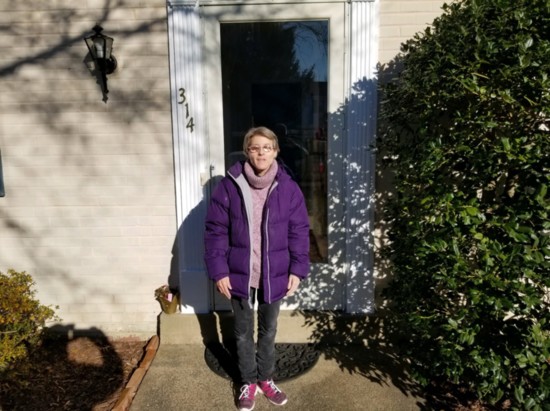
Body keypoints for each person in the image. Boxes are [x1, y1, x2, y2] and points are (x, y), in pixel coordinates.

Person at [204, 126, 310, 411]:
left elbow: (299, 230)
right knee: (241, 331)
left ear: (275, 151)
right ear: (247, 151)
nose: (260, 152)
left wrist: (298, 269)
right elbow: (215, 230)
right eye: (254, 147)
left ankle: (266, 378)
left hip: (274, 272)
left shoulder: (288, 187)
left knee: (268, 329)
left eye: (266, 147)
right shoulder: (230, 185)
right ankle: (247, 381)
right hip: (240, 270)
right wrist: (219, 270)